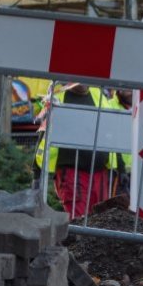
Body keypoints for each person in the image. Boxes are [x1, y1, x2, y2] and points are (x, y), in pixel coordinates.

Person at [34, 84, 119, 219]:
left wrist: (120, 169)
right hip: (72, 173)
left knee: (101, 220)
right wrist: (37, 175)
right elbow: (43, 136)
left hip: (100, 172)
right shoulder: (58, 98)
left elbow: (110, 131)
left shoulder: (98, 95)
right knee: (78, 220)